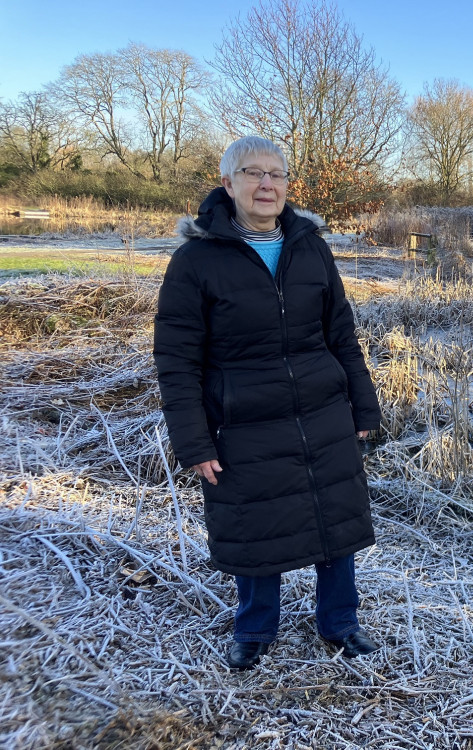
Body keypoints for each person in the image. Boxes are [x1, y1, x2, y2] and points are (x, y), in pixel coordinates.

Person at [153, 135, 382, 670]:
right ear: (228, 184)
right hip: (243, 421)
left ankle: (341, 624)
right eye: (253, 173)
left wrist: (364, 407)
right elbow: (177, 360)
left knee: (335, 521)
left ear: (286, 185)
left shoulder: (311, 246)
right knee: (256, 526)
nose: (266, 184)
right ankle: (254, 631)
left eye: (276, 174)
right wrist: (194, 440)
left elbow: (341, 335)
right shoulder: (196, 261)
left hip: (322, 412)